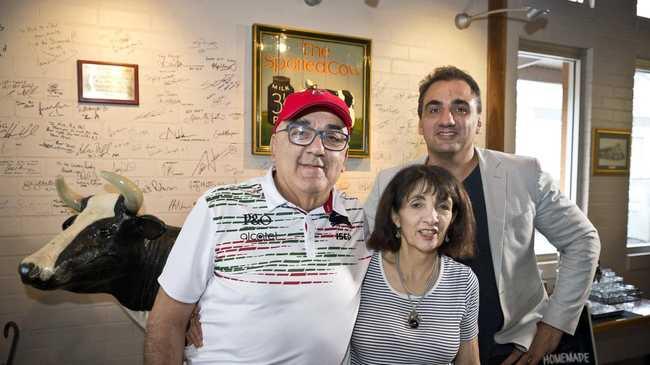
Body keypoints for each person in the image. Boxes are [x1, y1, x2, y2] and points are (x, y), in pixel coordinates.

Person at [364, 66, 601, 365]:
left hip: (509, 350)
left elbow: (583, 240)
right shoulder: (391, 182)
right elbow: (363, 257)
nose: (447, 120)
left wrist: (555, 323)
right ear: (420, 123)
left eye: (460, 108)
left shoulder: (524, 175)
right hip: (420, 350)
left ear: (478, 122)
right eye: (434, 109)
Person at [144, 88, 371, 364]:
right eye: (300, 132)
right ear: (274, 145)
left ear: (345, 157)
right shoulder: (219, 207)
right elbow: (166, 321)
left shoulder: (360, 219)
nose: (317, 148)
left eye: (333, 137)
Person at [350, 164, 480, 364]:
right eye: (417, 204)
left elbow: (469, 361)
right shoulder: (363, 268)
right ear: (395, 216)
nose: (432, 218)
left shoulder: (463, 281)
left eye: (443, 206)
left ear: (452, 218)